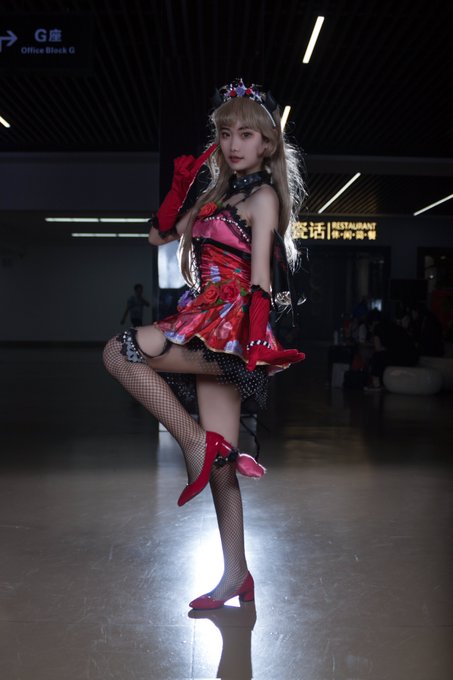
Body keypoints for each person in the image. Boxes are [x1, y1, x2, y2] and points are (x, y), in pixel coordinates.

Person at [103, 78, 305, 609]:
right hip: (202, 317)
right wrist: (180, 187)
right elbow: (158, 234)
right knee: (221, 466)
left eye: (246, 134)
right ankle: (236, 573)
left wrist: (255, 343)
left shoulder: (262, 197)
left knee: (119, 350)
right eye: (225, 133)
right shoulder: (218, 197)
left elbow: (260, 280)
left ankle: (195, 442)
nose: (233, 144)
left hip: (231, 325)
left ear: (267, 143)